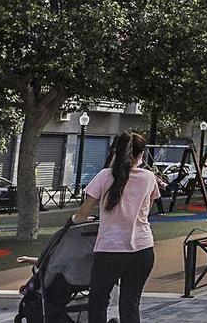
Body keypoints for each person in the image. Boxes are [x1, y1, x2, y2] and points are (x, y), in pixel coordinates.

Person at [72, 133, 161, 323]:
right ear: (141, 155)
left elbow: (81, 215)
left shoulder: (104, 176)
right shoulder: (148, 178)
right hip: (143, 249)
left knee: (98, 302)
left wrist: (76, 219)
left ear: (116, 152)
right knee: (130, 303)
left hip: (110, 251)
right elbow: (147, 208)